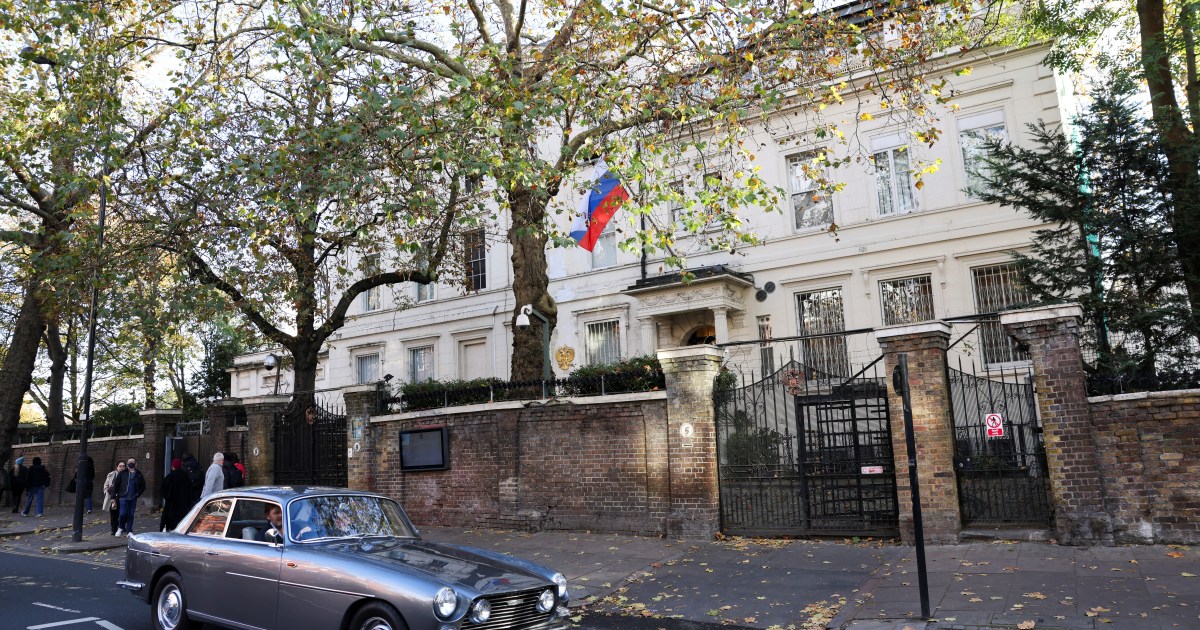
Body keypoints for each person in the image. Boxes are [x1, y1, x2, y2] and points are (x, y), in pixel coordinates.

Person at [113, 458, 145, 536]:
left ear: (135, 464)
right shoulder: (122, 473)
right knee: (122, 514)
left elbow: (143, 485)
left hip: (133, 498)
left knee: (131, 514)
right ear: (127, 463)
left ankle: (129, 530)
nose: (131, 463)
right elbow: (116, 485)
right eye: (130, 462)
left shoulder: (139, 474)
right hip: (123, 497)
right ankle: (120, 528)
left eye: (133, 462)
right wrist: (113, 496)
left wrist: (138, 494)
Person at [159, 458, 193, 532]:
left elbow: (164, 489)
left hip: (172, 505)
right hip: (183, 505)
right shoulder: (185, 476)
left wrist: (168, 497)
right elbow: (190, 490)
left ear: (173, 466)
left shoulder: (170, 476)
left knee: (171, 523)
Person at [102, 461, 125, 536]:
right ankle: (114, 529)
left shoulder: (127, 475)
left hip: (123, 497)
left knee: (123, 513)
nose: (121, 468)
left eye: (123, 466)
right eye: (120, 466)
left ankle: (122, 526)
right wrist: (107, 492)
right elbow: (106, 485)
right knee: (114, 514)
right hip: (113, 498)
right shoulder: (111, 474)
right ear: (117, 467)